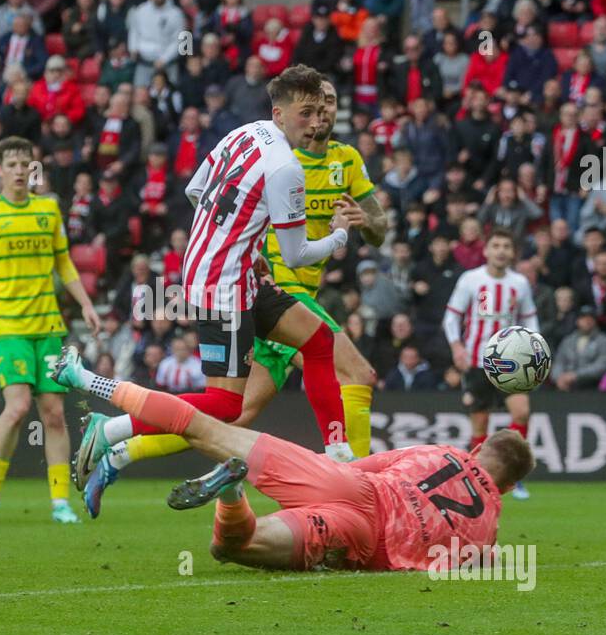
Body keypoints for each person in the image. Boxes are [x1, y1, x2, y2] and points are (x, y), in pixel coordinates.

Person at [78, 77, 387, 515]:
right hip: (221, 285)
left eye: (322, 111)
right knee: (225, 405)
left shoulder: (245, 132)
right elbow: (297, 256)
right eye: (307, 112)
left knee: (318, 344)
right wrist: (339, 236)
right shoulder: (287, 167)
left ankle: (340, 456)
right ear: (279, 113)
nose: (316, 121)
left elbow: (195, 189)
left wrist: (247, 245)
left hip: (236, 271)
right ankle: (112, 431)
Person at [51, 345, 534, 573]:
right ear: (508, 487)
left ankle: (90, 381)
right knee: (234, 548)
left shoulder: (440, 452)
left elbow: (362, 468)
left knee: (209, 425)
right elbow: (472, 563)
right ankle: (232, 496)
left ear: (477, 448)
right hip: (362, 539)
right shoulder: (488, 524)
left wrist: (320, 473)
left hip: (352, 487)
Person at [0, 136, 101, 524]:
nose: (21, 170)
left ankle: (58, 502)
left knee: (53, 413)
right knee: (18, 407)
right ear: (0, 171)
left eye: (26, 164)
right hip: (7, 326)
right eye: (13, 164)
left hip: (48, 325)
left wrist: (86, 305)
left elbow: (64, 263)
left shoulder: (48, 210)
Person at [442, 228, 539, 500]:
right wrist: (456, 346)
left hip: (510, 362)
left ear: (512, 252)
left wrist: (531, 346)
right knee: (480, 427)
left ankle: (515, 477)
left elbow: (530, 318)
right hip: (476, 361)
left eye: (506, 246)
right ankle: (478, 481)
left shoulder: (519, 283)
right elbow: (451, 317)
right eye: (496, 245)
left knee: (521, 413)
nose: (501, 251)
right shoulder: (470, 280)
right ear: (486, 251)